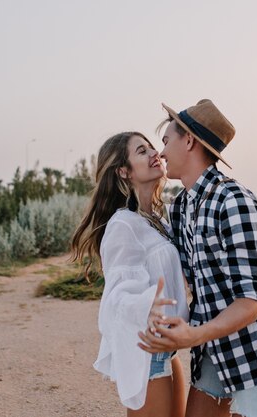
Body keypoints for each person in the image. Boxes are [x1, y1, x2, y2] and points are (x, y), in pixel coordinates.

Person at [138, 99, 257, 417]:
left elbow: (250, 303)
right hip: (215, 345)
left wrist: (193, 334)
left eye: (166, 140)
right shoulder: (181, 206)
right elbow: (184, 279)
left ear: (189, 141)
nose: (161, 151)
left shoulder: (234, 202)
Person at [70, 131, 189, 417]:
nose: (154, 154)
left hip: (169, 350)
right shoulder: (123, 224)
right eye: (141, 151)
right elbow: (117, 294)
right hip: (148, 351)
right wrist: (144, 305)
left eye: (152, 147)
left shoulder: (156, 219)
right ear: (124, 171)